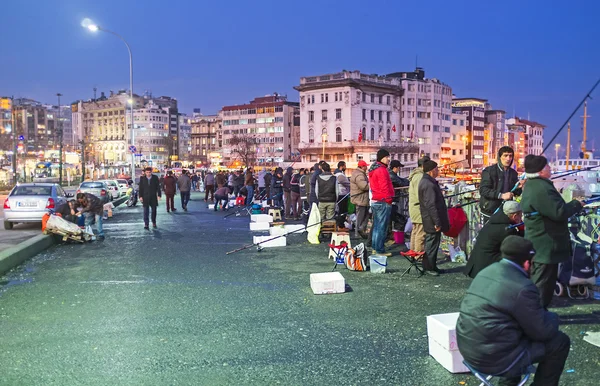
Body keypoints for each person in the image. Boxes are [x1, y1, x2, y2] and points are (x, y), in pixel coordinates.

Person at [457, 236, 570, 386]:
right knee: (560, 342)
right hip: (494, 359)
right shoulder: (523, 287)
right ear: (526, 262)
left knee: (513, 330)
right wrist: (553, 317)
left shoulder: (486, 272)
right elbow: (542, 331)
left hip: (468, 349)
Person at [520, 154, 583, 308]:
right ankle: (536, 317)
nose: (550, 168)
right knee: (543, 283)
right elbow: (559, 212)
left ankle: (535, 314)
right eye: (547, 166)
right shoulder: (542, 188)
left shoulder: (532, 184)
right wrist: (576, 204)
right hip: (545, 243)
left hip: (539, 241)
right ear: (541, 171)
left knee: (541, 280)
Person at [464, 201, 523, 279]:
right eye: (520, 215)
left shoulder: (494, 221)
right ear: (515, 216)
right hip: (486, 268)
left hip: (475, 265)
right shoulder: (507, 229)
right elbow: (518, 246)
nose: (521, 217)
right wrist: (522, 230)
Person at [418, 160, 449, 275]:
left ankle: (432, 266)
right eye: (437, 169)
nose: (438, 171)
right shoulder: (428, 184)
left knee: (433, 243)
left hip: (429, 218)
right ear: (431, 171)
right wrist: (437, 222)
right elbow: (431, 205)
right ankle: (429, 267)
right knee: (431, 243)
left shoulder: (427, 181)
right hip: (431, 219)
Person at [479, 146, 523, 223]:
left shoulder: (513, 173)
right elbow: (484, 190)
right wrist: (501, 195)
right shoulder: (489, 171)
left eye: (510, 156)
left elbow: (515, 193)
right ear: (500, 157)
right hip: (490, 211)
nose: (508, 159)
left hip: (506, 211)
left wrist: (519, 188)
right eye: (505, 155)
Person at [369, 149, 394, 256]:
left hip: (375, 199)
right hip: (383, 200)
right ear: (383, 158)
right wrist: (389, 199)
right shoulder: (382, 170)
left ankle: (375, 247)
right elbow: (384, 186)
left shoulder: (373, 169)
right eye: (387, 157)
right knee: (381, 227)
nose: (389, 159)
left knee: (376, 226)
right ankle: (379, 250)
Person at [408, 156, 430, 253]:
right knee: (421, 233)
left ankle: (413, 253)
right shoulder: (419, 176)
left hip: (414, 208)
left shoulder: (415, 175)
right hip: (418, 208)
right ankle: (418, 255)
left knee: (416, 231)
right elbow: (420, 194)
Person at [350, 160, 370, 239]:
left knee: (364, 216)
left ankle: (361, 231)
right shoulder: (359, 175)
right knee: (361, 217)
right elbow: (364, 186)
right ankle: (358, 233)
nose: (366, 167)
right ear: (362, 167)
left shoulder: (357, 173)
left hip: (360, 198)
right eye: (365, 166)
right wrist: (372, 184)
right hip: (360, 199)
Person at [334, 161, 351, 229]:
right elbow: (347, 183)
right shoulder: (340, 175)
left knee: (340, 211)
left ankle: (341, 225)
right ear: (342, 166)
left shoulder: (337, 174)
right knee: (342, 211)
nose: (345, 167)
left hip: (340, 193)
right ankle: (341, 226)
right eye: (345, 166)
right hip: (342, 194)